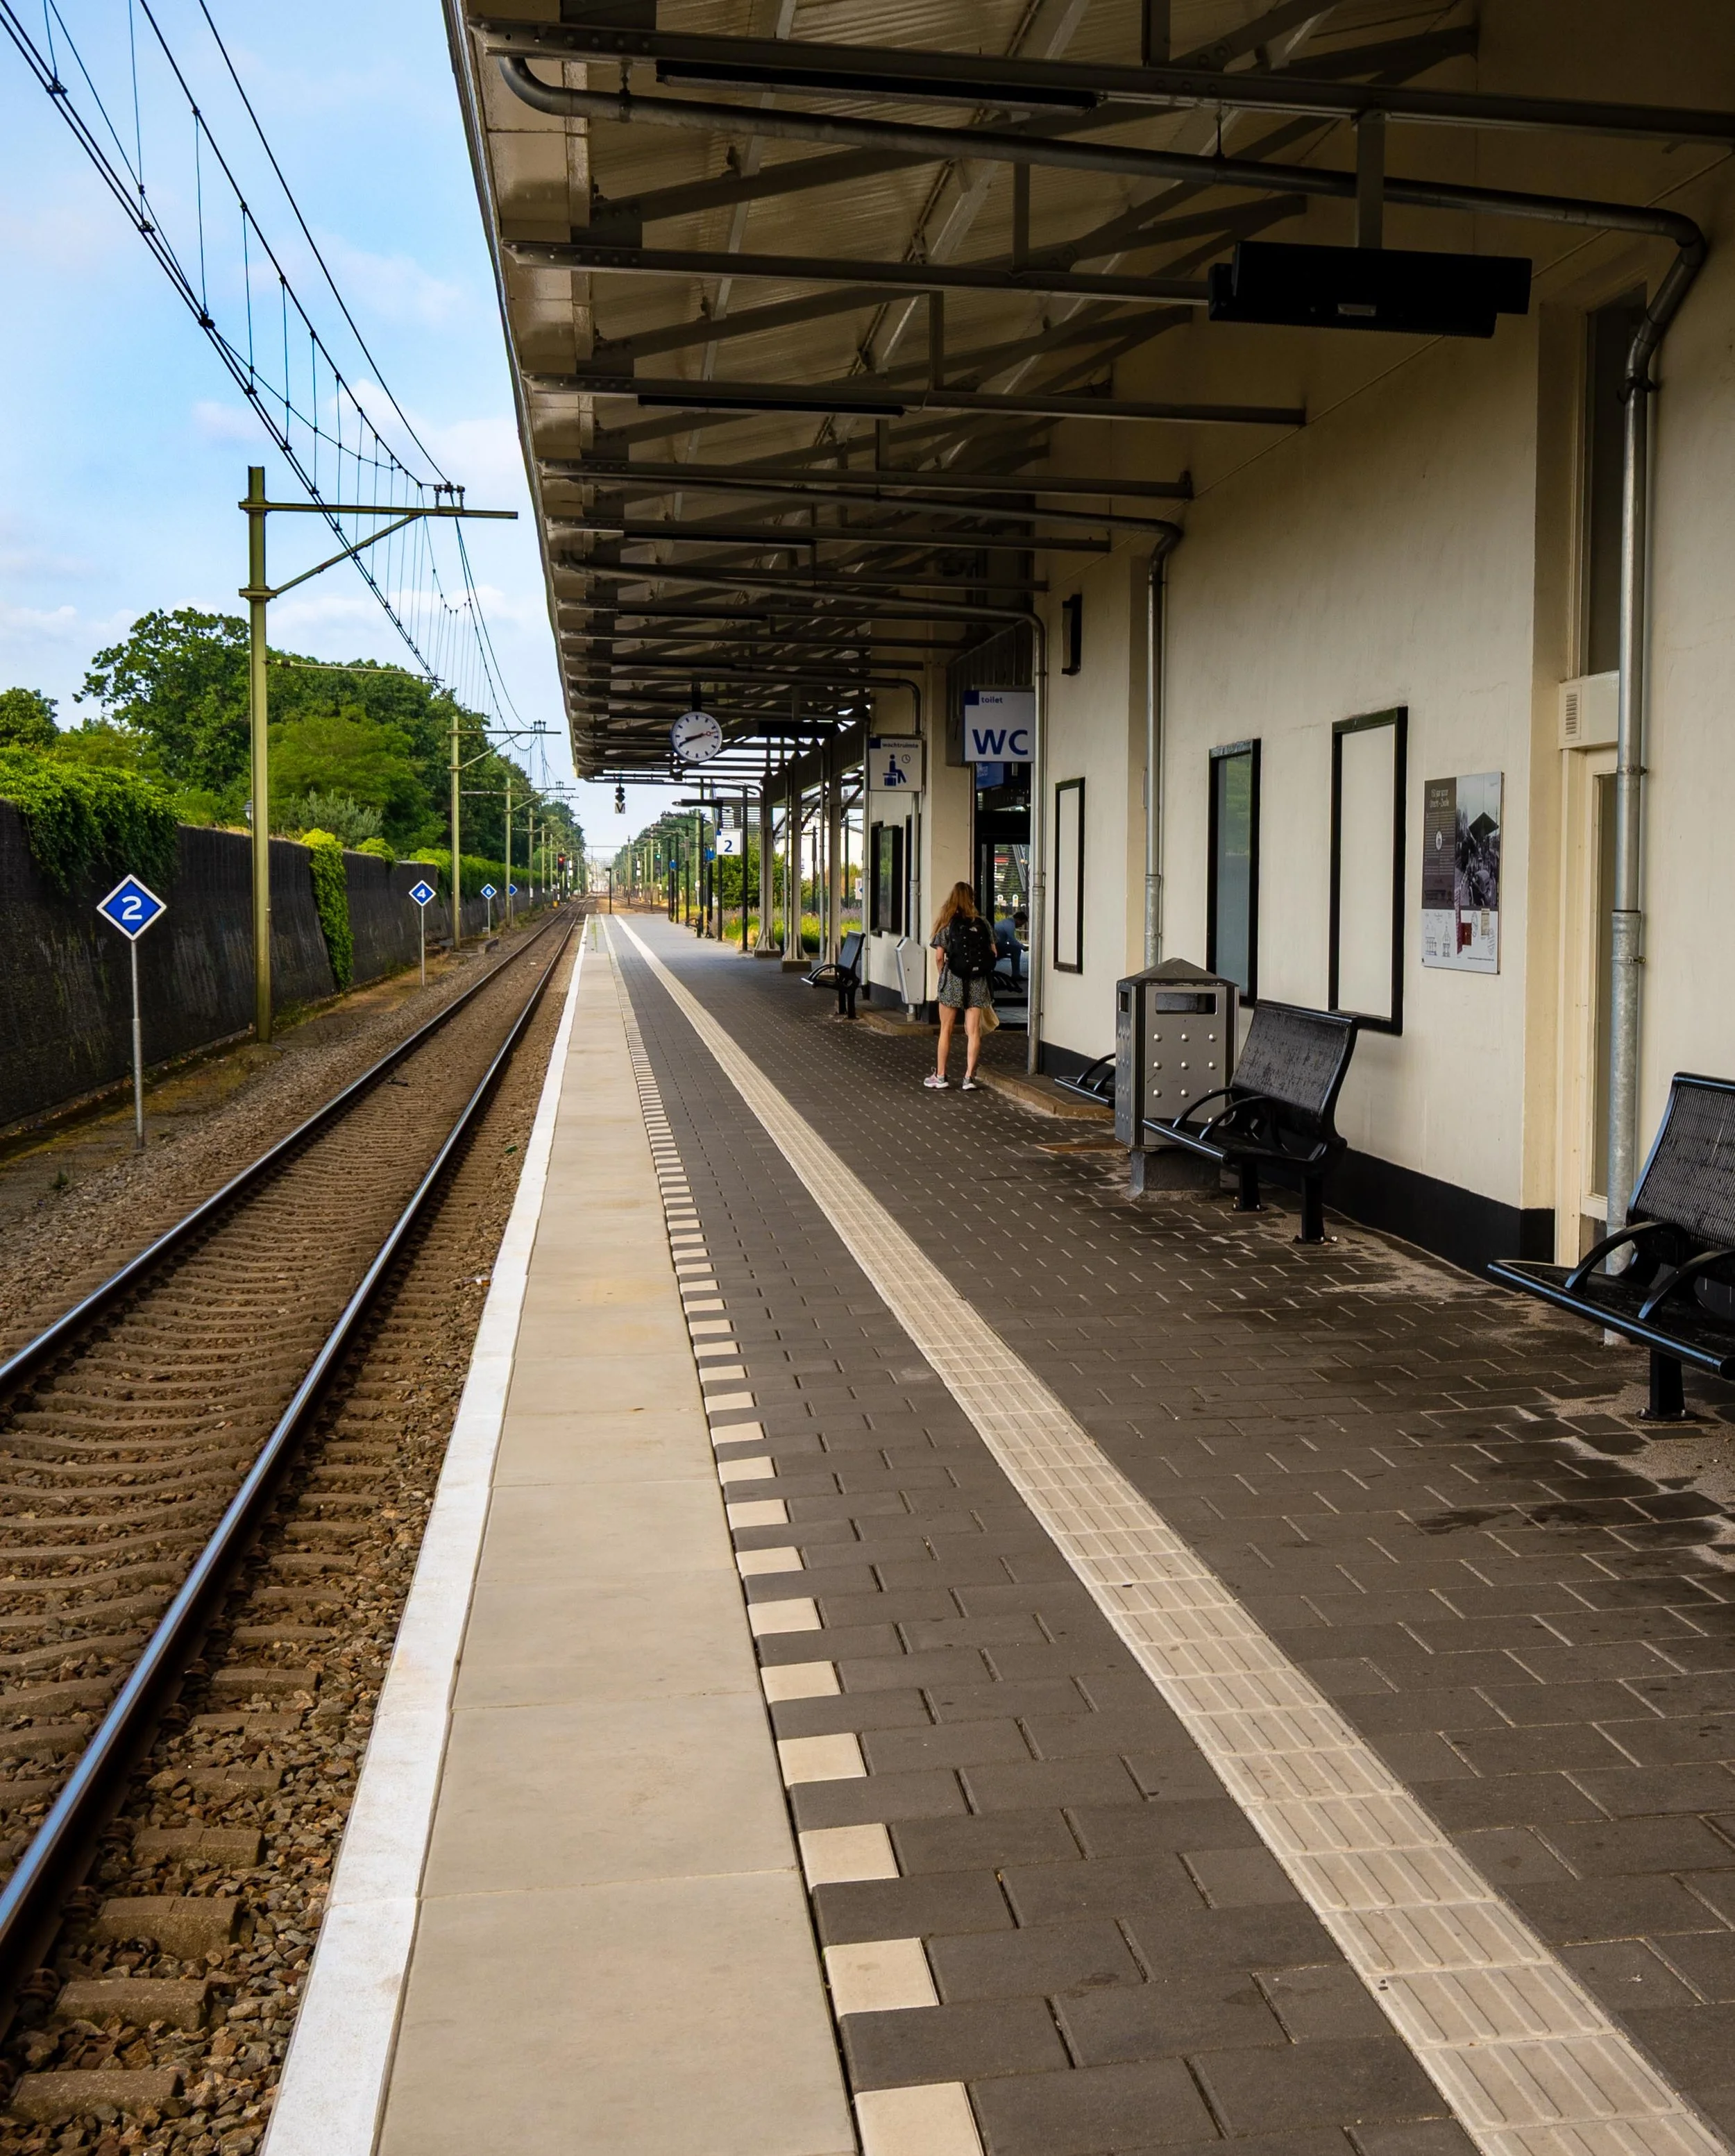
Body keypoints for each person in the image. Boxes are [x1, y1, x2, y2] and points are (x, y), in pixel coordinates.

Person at [927, 881, 997, 1091]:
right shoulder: (983, 923)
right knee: (974, 1031)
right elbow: (994, 953)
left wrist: (943, 975)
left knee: (946, 1029)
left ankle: (941, 1076)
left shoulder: (948, 923)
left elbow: (940, 956)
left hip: (953, 979)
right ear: (972, 898)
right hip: (977, 982)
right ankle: (969, 1078)